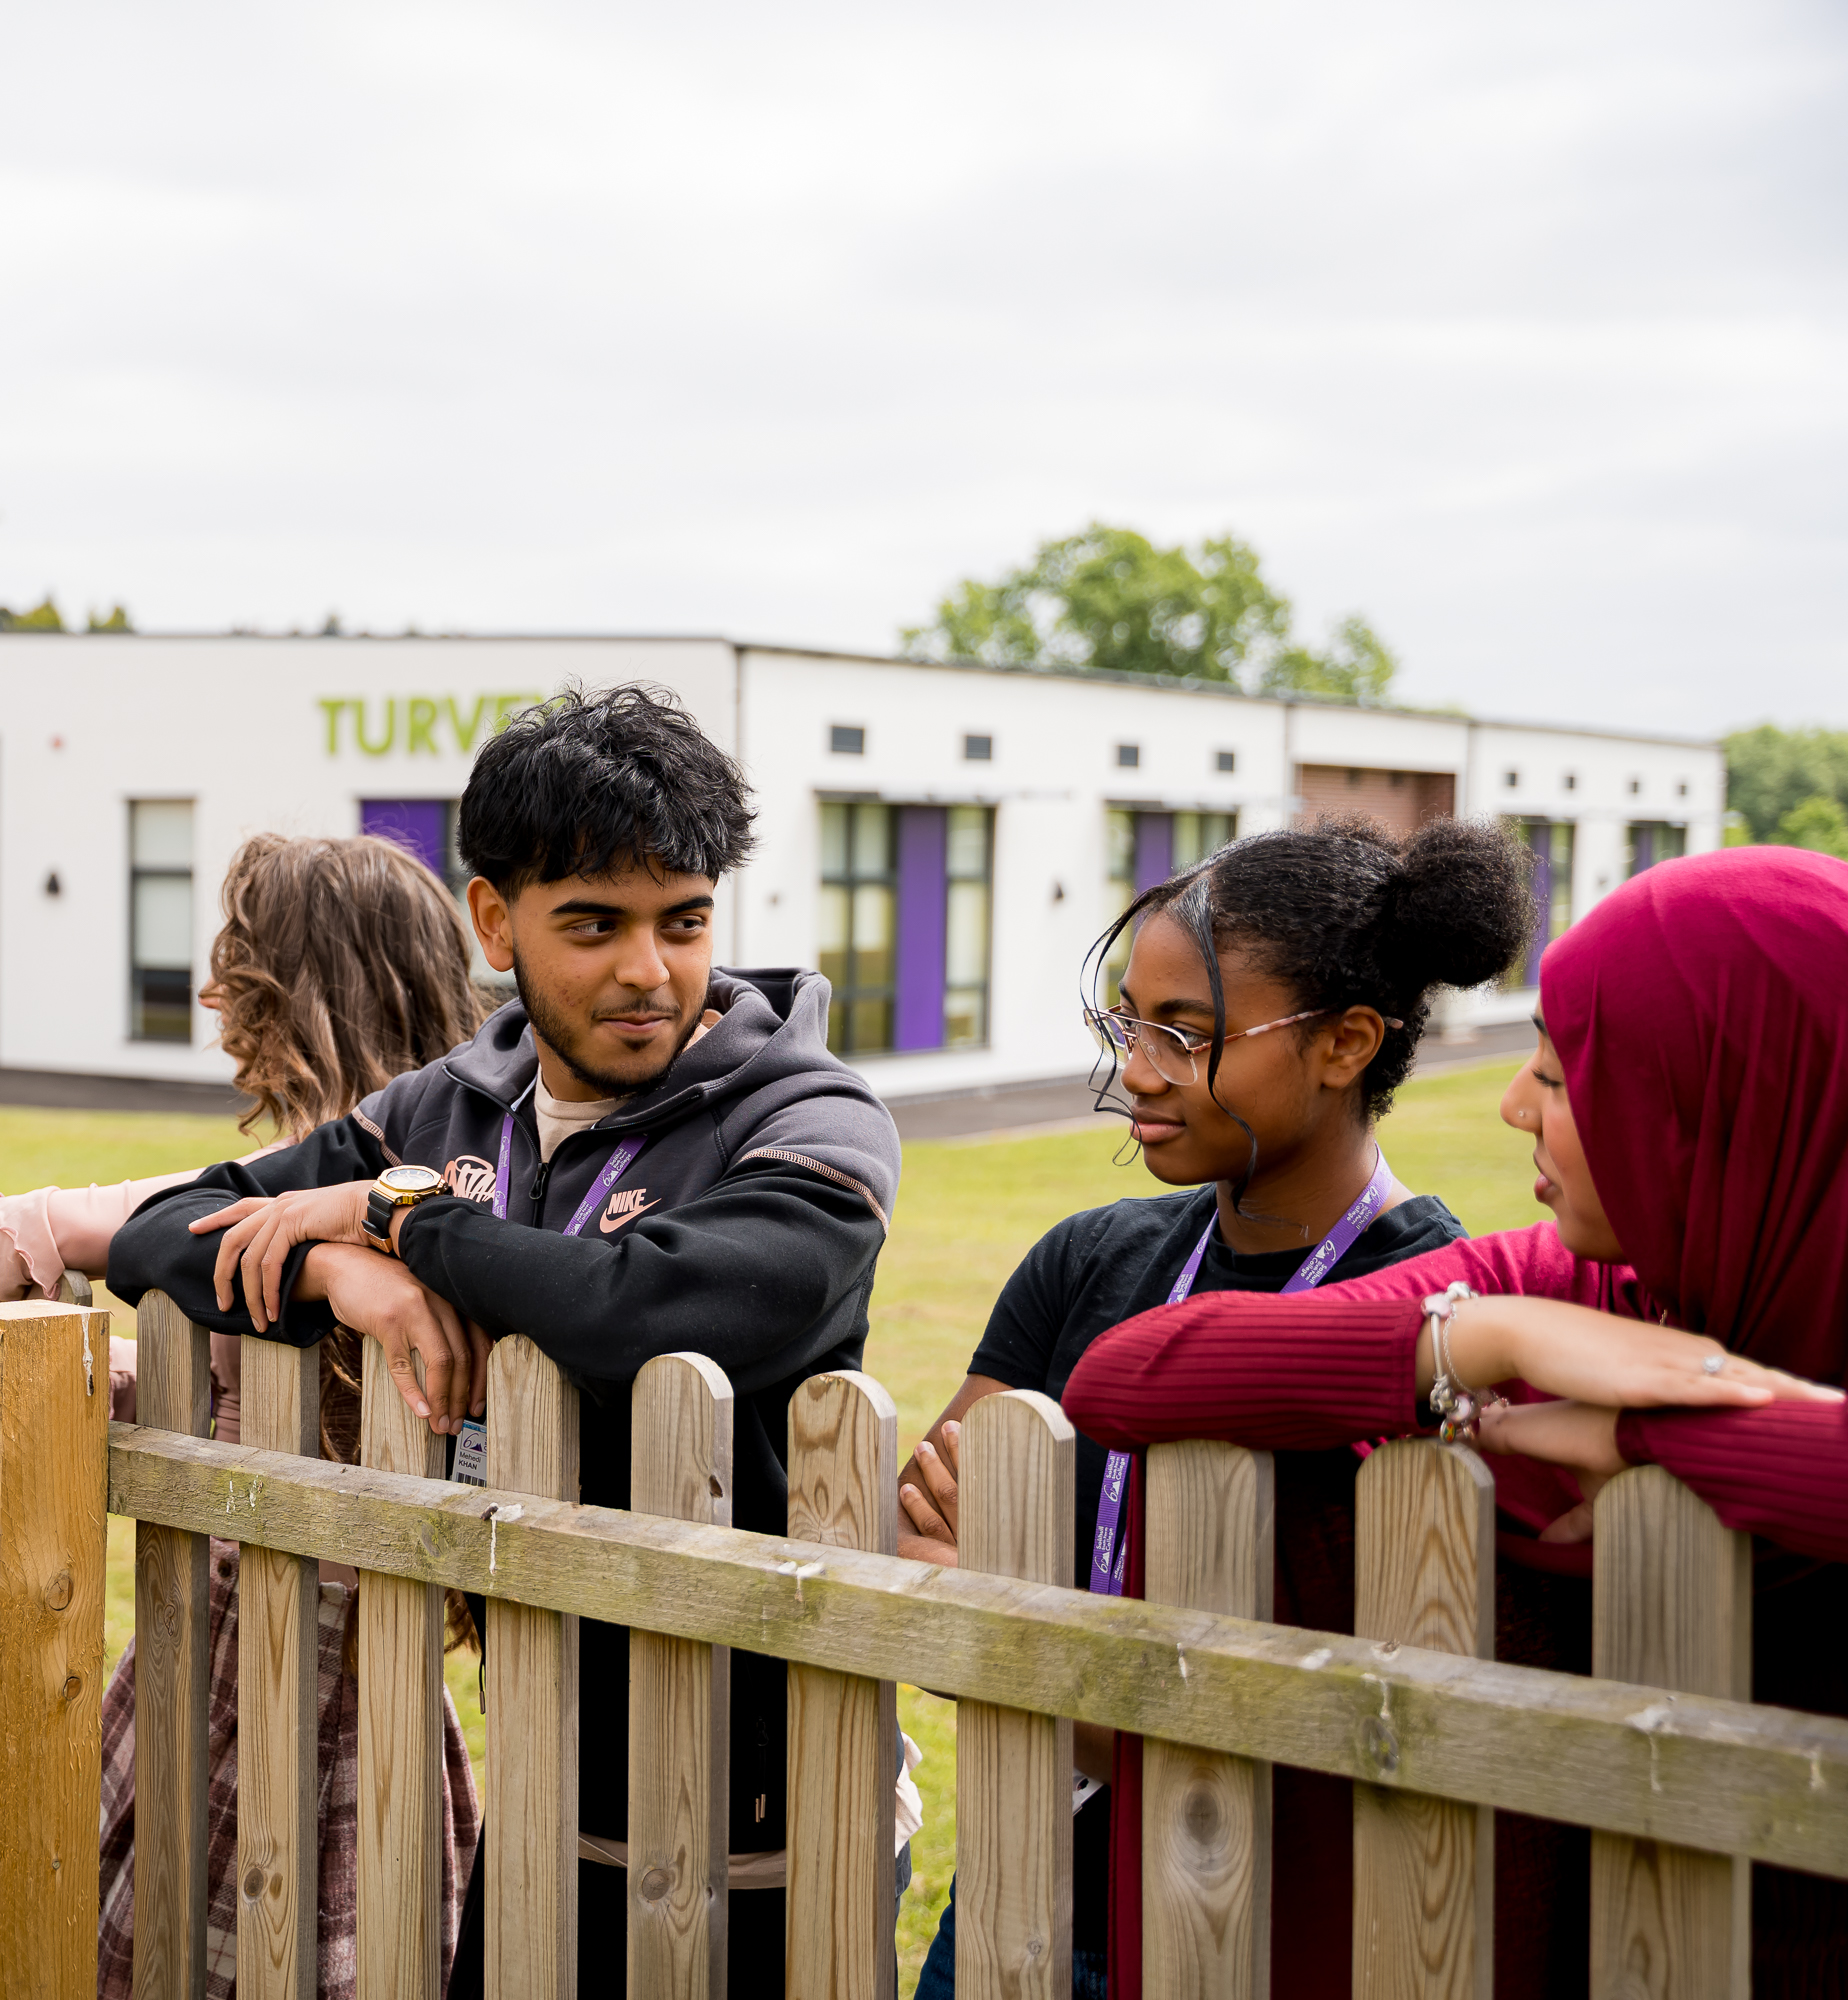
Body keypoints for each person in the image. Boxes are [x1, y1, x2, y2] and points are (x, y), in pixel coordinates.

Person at [107, 685, 902, 1998]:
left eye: (683, 921)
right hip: (537, 1781)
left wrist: (397, 1218)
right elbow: (165, 1234)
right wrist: (338, 1273)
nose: (649, 971)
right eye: (594, 925)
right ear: (495, 920)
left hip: (765, 1810)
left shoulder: (808, 1115)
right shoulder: (455, 1104)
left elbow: (653, 1311)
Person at [1063, 842, 1848, 1998]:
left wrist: (1641, 1437)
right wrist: (1487, 1339)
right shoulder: (1588, 1293)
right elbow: (1129, 1371)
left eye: (1568, 1077)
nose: (1513, 1103)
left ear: (1731, 1103)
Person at [0, 831, 491, 2000]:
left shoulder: (433, 1209)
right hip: (229, 1689)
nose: (212, 992)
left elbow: (113, 1243)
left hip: (296, 1720)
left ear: (306, 988)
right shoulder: (322, 1192)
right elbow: (190, 1358)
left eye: (239, 963)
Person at [893, 816, 1532, 2000]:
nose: (1138, 1065)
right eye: (1130, 1020)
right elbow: (918, 1539)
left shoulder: (1431, 1324)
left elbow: (1323, 1735)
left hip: (1269, 1931)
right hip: (1018, 1897)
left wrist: (1013, 1635)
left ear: (1347, 1043)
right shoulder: (1086, 1259)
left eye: (1188, 1033)